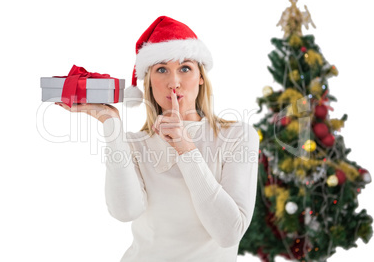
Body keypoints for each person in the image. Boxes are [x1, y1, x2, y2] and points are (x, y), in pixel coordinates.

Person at [56, 15, 259, 262]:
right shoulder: (134, 144)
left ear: (201, 77)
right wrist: (111, 124)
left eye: (185, 68)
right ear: (149, 82)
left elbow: (229, 233)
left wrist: (186, 148)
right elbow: (125, 211)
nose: (174, 82)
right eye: (161, 69)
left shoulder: (236, 136)